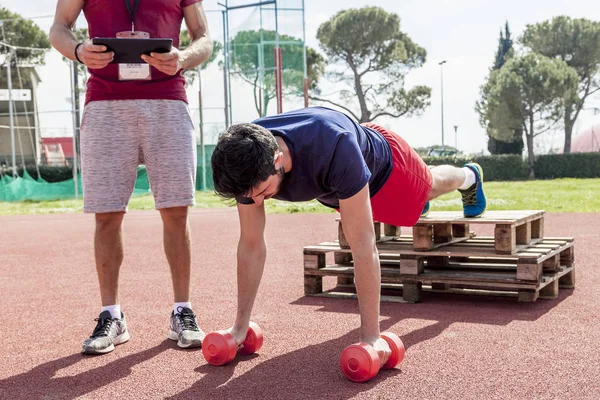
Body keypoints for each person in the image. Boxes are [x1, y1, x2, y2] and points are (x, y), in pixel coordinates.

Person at [210, 106, 486, 361]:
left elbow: (364, 243)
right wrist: (239, 328)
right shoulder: (246, 159)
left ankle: (468, 176)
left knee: (431, 186)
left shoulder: (334, 147)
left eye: (261, 192)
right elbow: (251, 243)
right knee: (402, 209)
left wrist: (371, 338)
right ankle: (414, 204)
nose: (255, 203)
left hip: (389, 170)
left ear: (278, 159)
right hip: (340, 184)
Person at [49, 0, 213, 354]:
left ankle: (182, 310)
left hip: (167, 101)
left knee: (176, 210)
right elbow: (58, 28)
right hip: (105, 103)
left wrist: (183, 58)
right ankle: (112, 315)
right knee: (106, 215)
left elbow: (204, 38)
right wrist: (79, 50)